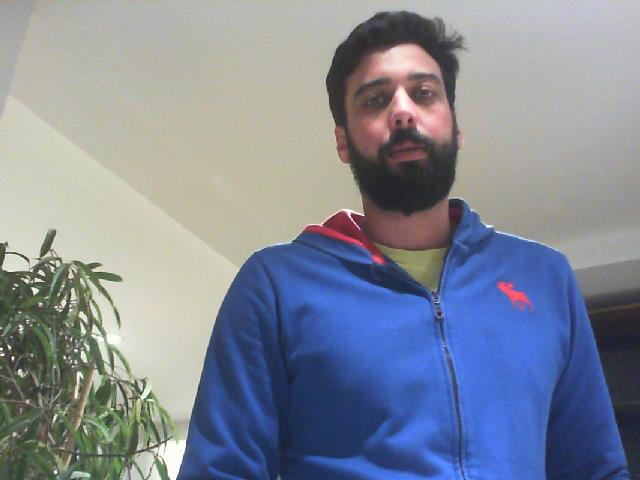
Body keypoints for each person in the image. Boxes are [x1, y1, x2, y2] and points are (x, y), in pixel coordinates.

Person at [177, 11, 629, 480]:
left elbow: (594, 468)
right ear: (343, 142)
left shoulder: (544, 277)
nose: (403, 111)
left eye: (424, 93)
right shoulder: (275, 286)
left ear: (455, 126)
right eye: (375, 100)